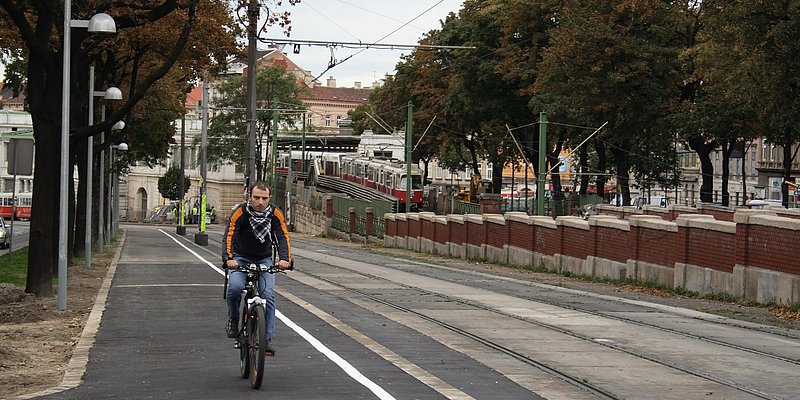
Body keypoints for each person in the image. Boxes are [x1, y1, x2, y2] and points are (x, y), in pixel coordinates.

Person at [221, 181, 291, 355]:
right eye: (257, 198)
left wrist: (284, 259)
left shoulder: (275, 214)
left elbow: (283, 237)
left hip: (264, 259)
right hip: (240, 258)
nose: (260, 202)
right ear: (250, 197)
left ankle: (266, 339)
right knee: (236, 287)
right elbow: (229, 235)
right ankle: (233, 319)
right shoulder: (240, 213)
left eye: (264, 198)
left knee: (268, 295)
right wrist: (229, 258)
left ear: (269, 198)